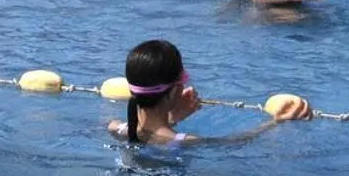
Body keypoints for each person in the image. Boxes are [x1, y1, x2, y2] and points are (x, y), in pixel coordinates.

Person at [108, 37, 311, 146]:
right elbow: (235, 141)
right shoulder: (184, 142)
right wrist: (275, 122)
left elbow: (148, 136)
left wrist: (171, 119)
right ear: (172, 92)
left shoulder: (117, 129)